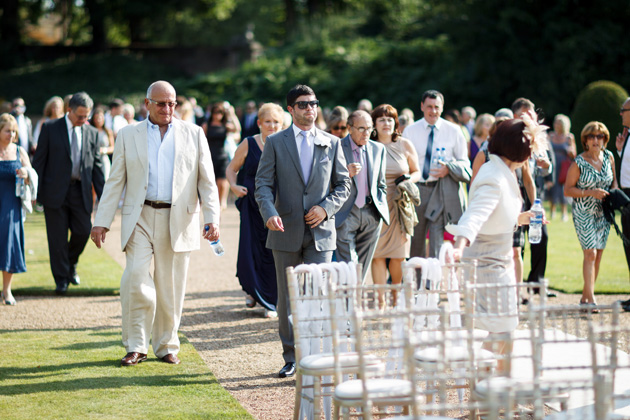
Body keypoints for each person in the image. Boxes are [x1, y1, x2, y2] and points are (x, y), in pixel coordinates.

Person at [91, 81, 220, 366]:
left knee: (171, 286)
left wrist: (212, 218)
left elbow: (207, 182)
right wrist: (101, 221)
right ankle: (136, 346)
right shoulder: (127, 134)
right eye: (161, 103)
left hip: (179, 218)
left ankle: (166, 345)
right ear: (147, 104)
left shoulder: (194, 133)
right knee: (136, 279)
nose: (167, 109)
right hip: (139, 216)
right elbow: (115, 182)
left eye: (172, 103)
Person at [255, 84, 350, 378]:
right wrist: (269, 213)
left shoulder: (332, 143)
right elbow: (263, 185)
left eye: (314, 103)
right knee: (287, 298)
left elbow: (344, 185)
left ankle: (317, 356)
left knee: (319, 293)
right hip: (285, 230)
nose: (311, 108)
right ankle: (292, 357)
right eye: (304, 104)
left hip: (322, 233)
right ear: (291, 109)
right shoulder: (275, 142)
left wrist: (325, 208)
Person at [450, 115, 546, 362]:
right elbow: (474, 215)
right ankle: (482, 379)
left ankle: (502, 386)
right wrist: (459, 245)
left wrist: (522, 218)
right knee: (502, 329)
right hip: (486, 263)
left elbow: (498, 213)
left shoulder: (503, 169)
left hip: (499, 261)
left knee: (508, 326)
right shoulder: (494, 175)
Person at [32, 92, 105, 295]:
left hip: (80, 192)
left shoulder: (92, 133)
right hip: (54, 192)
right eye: (80, 116)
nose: (84, 120)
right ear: (69, 110)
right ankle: (61, 279)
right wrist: (34, 193)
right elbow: (39, 162)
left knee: (83, 231)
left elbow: (97, 169)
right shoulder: (50, 128)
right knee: (56, 239)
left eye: (87, 116)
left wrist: (106, 199)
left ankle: (70, 264)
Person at [226, 103, 283, 318]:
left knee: (273, 252)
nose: (272, 125)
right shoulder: (249, 144)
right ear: (259, 123)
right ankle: (252, 290)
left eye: (276, 122)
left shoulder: (285, 144)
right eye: (267, 121)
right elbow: (232, 168)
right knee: (251, 250)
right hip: (251, 204)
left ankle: (269, 300)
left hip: (276, 206)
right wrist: (233, 186)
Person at [403, 90, 470, 258]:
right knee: (415, 240)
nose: (433, 111)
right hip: (417, 189)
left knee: (436, 240)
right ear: (422, 107)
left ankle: (433, 281)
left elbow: (465, 164)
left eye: (437, 107)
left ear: (442, 108)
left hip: (441, 190)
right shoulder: (410, 131)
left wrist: (449, 168)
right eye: (429, 107)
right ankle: (417, 282)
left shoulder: (454, 131)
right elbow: (402, 162)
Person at [564, 122, 617, 309]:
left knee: (599, 254)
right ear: (585, 140)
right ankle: (591, 299)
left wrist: (617, 197)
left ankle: (585, 298)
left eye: (600, 136)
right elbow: (568, 190)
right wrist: (590, 192)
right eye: (591, 136)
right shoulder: (578, 162)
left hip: (603, 213)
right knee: (590, 254)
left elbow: (614, 184)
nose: (596, 140)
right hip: (583, 212)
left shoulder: (609, 157)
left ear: (605, 139)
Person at [335, 110, 389, 283]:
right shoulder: (336, 146)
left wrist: (379, 208)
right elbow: (324, 181)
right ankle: (350, 301)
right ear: (349, 129)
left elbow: (381, 183)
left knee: (363, 264)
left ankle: (353, 299)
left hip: (371, 213)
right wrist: (344, 173)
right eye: (361, 128)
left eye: (369, 128)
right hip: (346, 212)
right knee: (350, 263)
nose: (367, 133)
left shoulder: (378, 149)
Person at [370, 104, 420, 287]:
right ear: (374, 123)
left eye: (390, 119)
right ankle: (380, 301)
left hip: (400, 205)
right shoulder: (368, 144)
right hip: (375, 206)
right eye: (381, 119)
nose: (386, 123)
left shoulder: (404, 144)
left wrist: (407, 180)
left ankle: (395, 297)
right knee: (377, 255)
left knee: (399, 256)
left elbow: (417, 172)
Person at [0, 114, 36, 305]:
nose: (11, 134)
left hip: (12, 206)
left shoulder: (19, 151)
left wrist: (26, 173)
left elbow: (32, 175)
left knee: (9, 246)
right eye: (7, 130)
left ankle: (7, 291)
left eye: (14, 131)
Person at [204, 102, 240, 210]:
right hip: (210, 155)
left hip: (222, 155)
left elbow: (237, 129)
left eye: (220, 113)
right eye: (215, 112)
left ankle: (222, 202)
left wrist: (232, 114)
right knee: (212, 181)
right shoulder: (207, 125)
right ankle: (213, 202)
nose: (217, 115)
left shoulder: (225, 125)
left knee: (223, 181)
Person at [548, 114, 576, 221]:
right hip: (552, 165)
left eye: (559, 123)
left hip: (564, 167)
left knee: (563, 190)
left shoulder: (569, 137)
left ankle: (564, 213)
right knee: (552, 189)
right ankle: (552, 211)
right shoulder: (550, 136)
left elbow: (574, 154)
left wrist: (570, 151)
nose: (557, 125)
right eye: (556, 123)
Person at [616, 98, 630, 312]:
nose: (620, 113)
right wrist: (620, 150)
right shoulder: (627, 137)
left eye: (623, 110)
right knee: (628, 245)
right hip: (626, 196)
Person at [90, 107, 115, 180]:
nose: (98, 120)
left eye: (100, 118)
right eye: (96, 118)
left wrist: (103, 150)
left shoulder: (107, 131)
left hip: (104, 159)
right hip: (93, 159)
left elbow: (112, 147)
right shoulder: (90, 130)